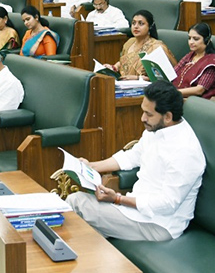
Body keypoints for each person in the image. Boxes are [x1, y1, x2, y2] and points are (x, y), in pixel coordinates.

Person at [69, 80, 205, 241]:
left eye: (148, 114)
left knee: (76, 202)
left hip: (158, 225)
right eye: (143, 111)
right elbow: (133, 156)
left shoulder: (186, 152)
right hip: (134, 211)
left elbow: (167, 204)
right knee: (86, 232)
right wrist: (91, 167)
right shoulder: (158, 128)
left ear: (168, 116)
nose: (142, 118)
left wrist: (118, 199)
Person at [103, 10, 176, 80]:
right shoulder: (129, 42)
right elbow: (124, 62)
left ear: (150, 27)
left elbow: (164, 77)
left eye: (141, 23)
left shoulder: (156, 46)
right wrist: (113, 67)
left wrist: (138, 78)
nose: (136, 26)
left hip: (148, 88)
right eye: (134, 23)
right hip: (124, 84)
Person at [171, 23, 215, 99]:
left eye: (196, 39)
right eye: (189, 38)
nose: (191, 42)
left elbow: (199, 90)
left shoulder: (212, 62)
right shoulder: (190, 56)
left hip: (195, 100)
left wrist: (172, 93)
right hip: (177, 95)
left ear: (207, 40)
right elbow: (172, 73)